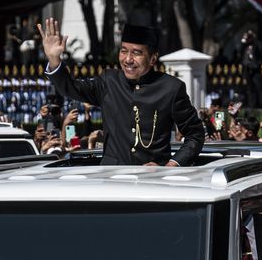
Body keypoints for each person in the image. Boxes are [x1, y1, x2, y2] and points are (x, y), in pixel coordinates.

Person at [38, 18, 204, 167]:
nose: (128, 59)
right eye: (124, 51)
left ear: (153, 59)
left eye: (137, 53)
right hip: (112, 180)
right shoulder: (109, 81)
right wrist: (54, 59)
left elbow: (195, 133)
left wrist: (171, 165)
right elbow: (70, 88)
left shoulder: (171, 88)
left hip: (154, 182)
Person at [239, 31, 262, 110]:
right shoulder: (244, 47)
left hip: (255, 69)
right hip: (247, 69)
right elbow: (241, 47)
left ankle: (260, 103)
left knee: (258, 87)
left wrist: (253, 36)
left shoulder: (256, 45)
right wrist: (245, 37)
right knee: (249, 88)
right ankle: (251, 104)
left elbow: (260, 53)